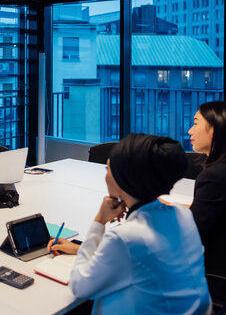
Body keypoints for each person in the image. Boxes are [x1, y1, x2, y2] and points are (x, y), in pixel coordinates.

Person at [50, 134, 210, 315]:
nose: (105, 174)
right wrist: (81, 249)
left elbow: (79, 287)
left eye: (107, 168)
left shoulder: (125, 237)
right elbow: (140, 256)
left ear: (122, 179)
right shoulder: (182, 214)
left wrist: (99, 222)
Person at [188, 101, 226, 277]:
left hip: (211, 272)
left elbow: (189, 234)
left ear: (214, 129)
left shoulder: (214, 177)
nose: (190, 130)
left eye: (196, 123)